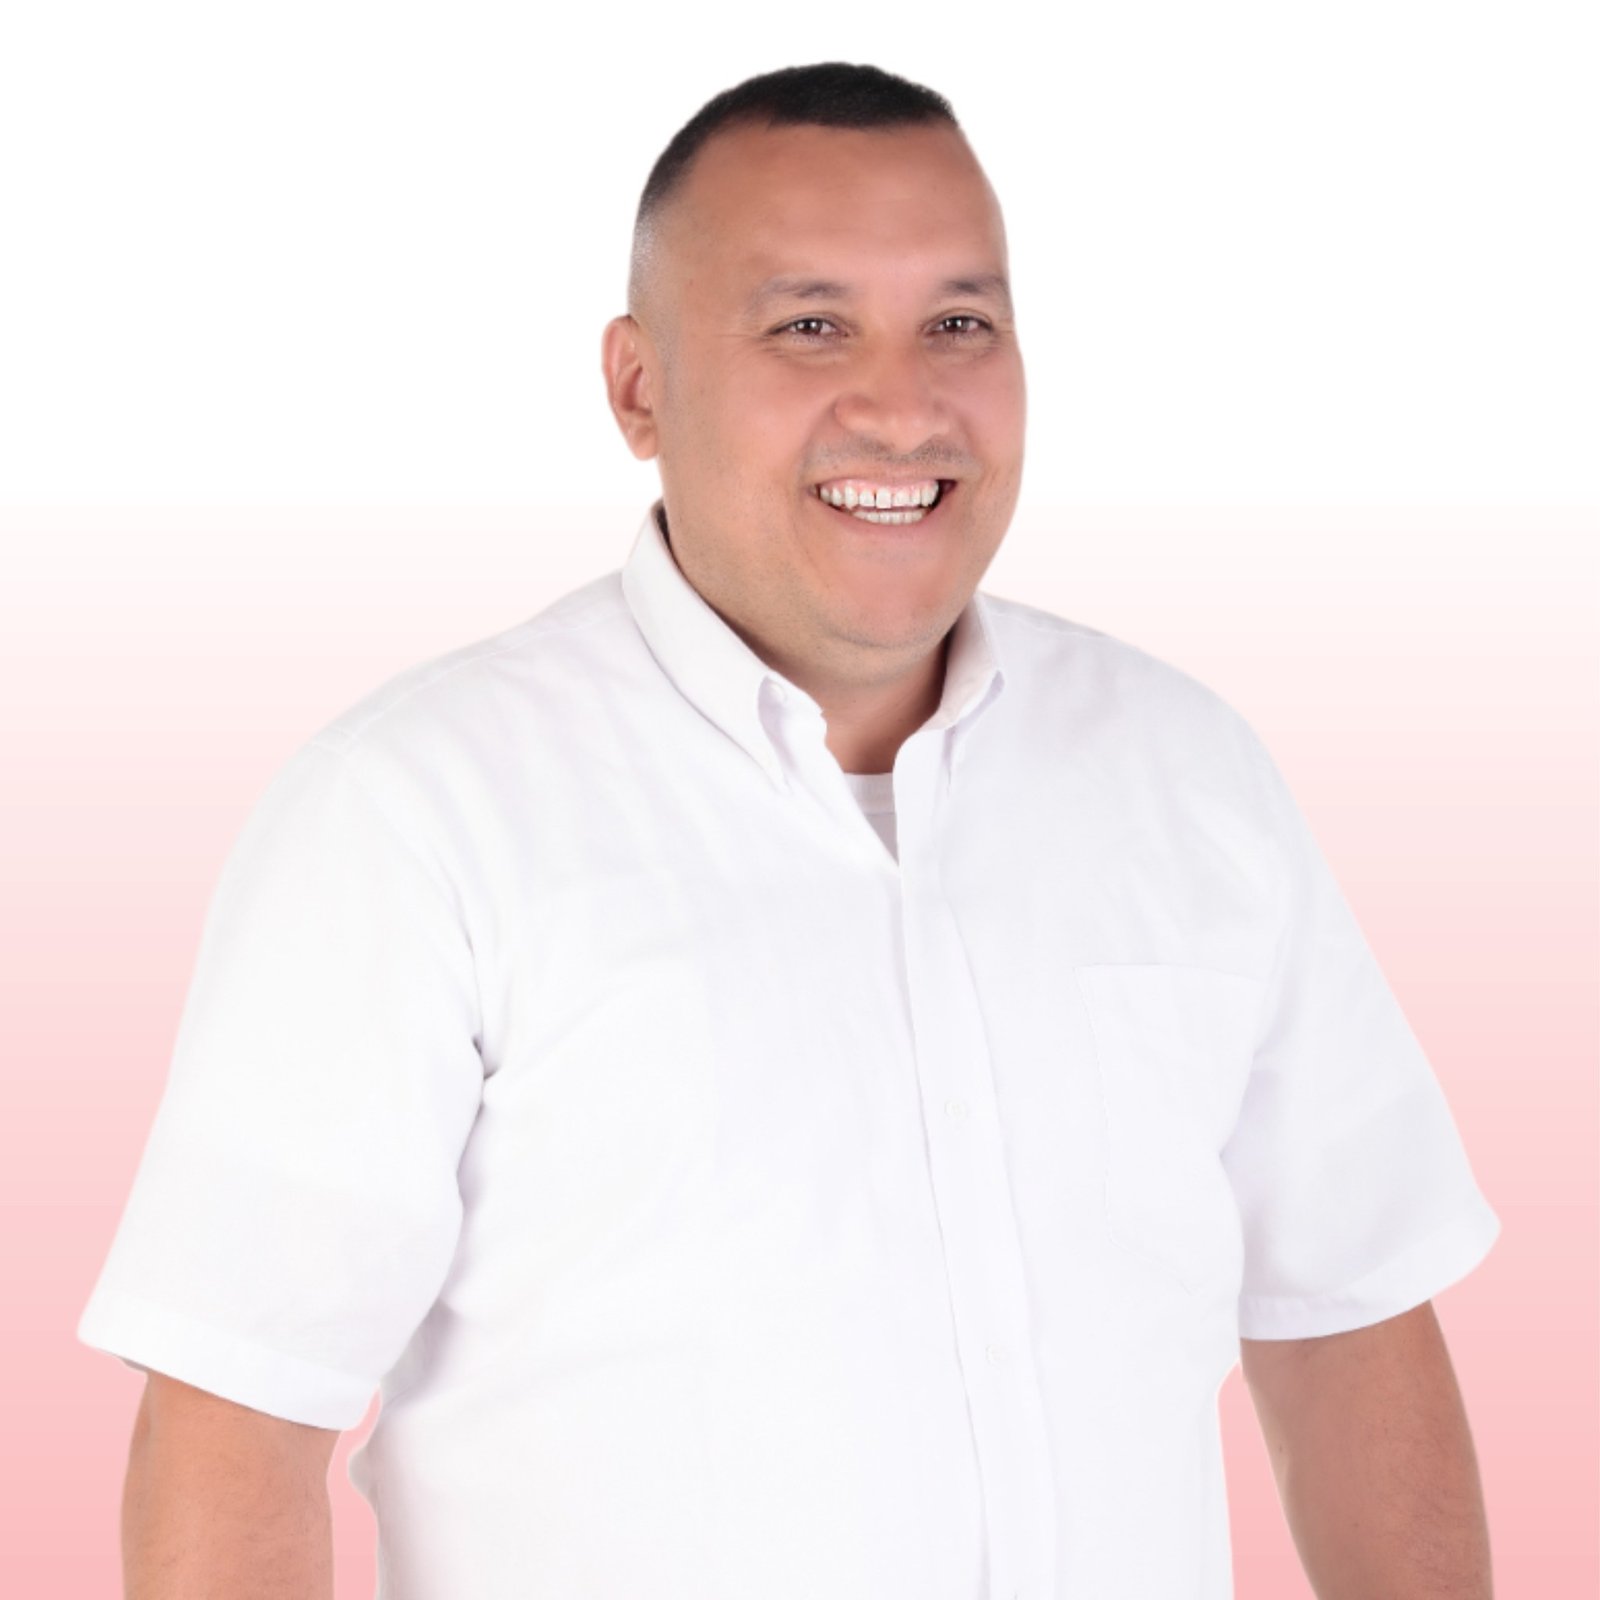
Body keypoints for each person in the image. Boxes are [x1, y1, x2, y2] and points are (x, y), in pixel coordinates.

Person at [80, 61, 1501, 1600]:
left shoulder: (1190, 779)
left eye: (959, 324)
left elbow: (1350, 1322)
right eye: (811, 326)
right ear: (639, 388)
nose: (902, 405)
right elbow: (237, 1427)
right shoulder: (416, 816)